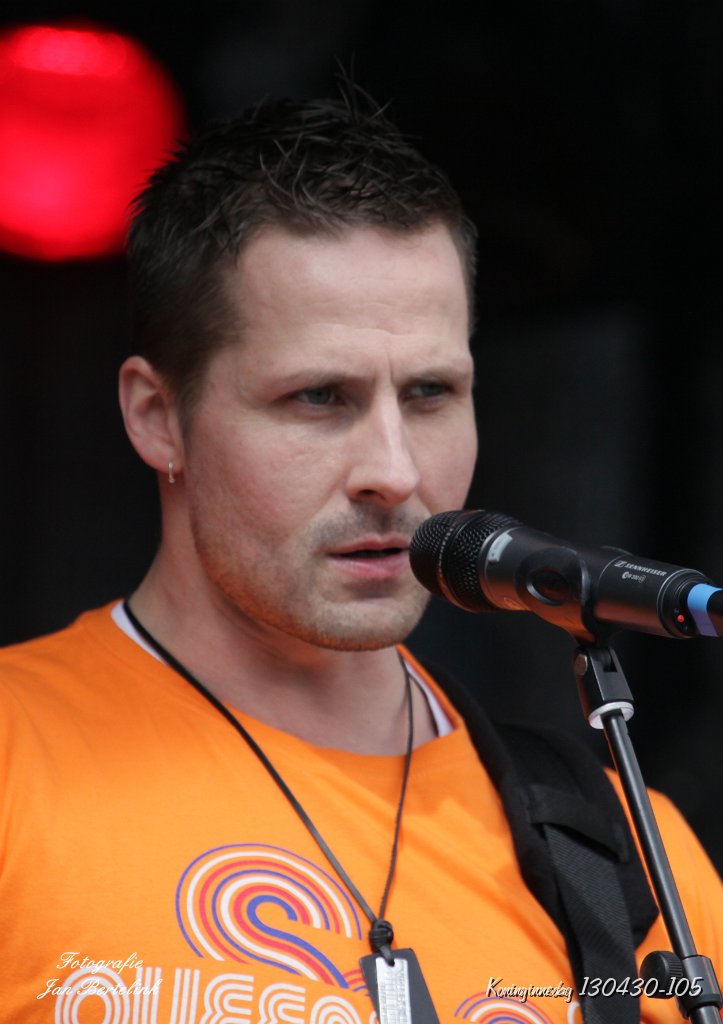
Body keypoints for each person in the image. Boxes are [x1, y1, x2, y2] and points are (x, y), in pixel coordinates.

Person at [1, 86, 722, 1024]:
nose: (393, 470)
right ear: (156, 417)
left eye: (429, 394)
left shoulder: (630, 854)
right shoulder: (20, 753)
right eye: (318, 398)